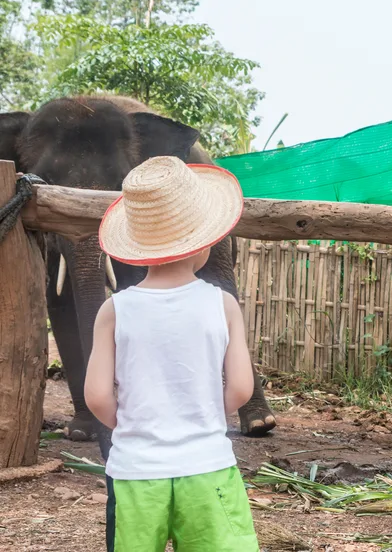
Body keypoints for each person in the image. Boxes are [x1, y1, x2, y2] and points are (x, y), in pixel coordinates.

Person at [84, 155, 260, 551]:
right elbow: (242, 389)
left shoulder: (114, 310)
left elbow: (96, 396)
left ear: (134, 248)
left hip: (135, 472)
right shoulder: (223, 304)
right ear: (205, 243)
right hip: (207, 467)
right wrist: (204, 411)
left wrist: (136, 423)